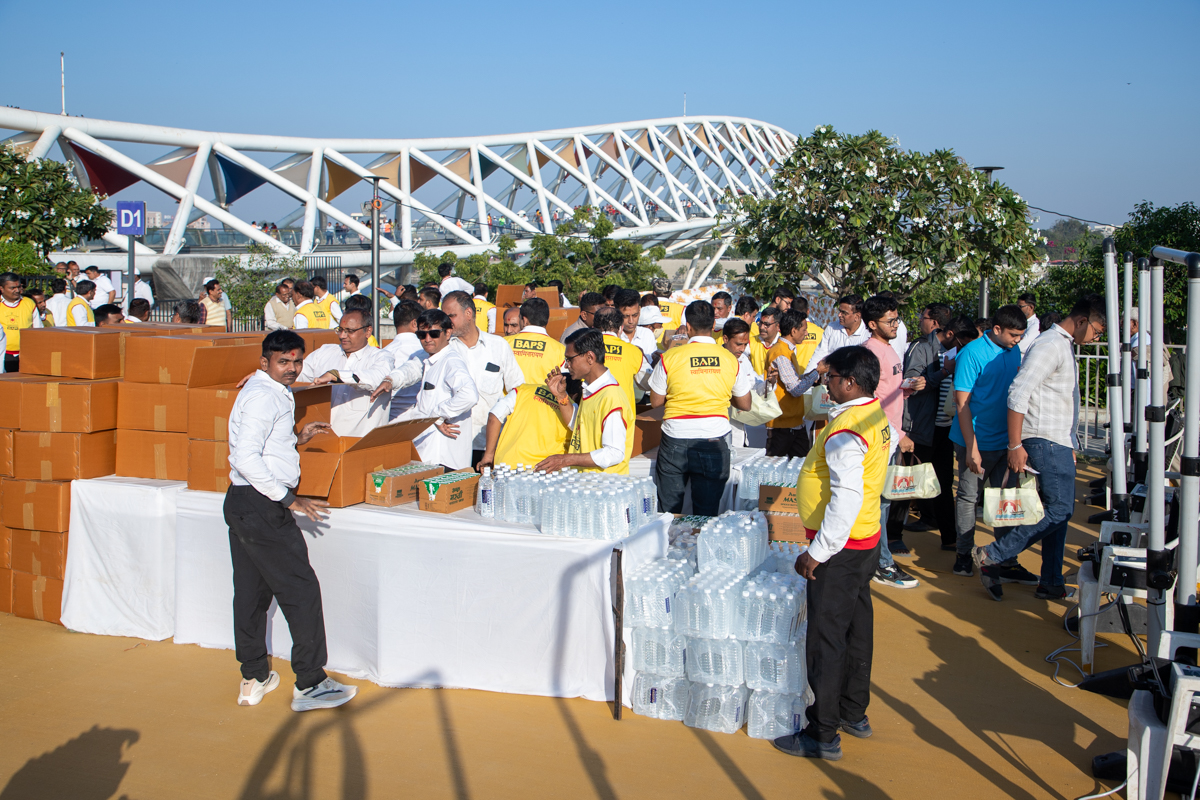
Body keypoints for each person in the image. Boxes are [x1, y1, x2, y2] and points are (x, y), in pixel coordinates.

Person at [225, 329, 357, 712]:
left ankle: (253, 676)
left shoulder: (264, 392)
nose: (292, 368)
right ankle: (311, 682)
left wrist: (294, 439)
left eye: (297, 361)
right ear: (264, 362)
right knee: (300, 591)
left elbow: (259, 446)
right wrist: (287, 498)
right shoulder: (264, 396)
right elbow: (245, 457)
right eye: (283, 362)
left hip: (244, 504)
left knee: (251, 593)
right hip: (262, 505)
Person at [774, 346, 889, 762]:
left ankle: (822, 732)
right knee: (858, 629)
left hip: (840, 549)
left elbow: (845, 497)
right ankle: (852, 711)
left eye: (831, 377)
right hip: (865, 541)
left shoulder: (846, 431)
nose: (826, 383)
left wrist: (817, 552)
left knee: (826, 640)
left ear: (850, 383)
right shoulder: (875, 415)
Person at [976, 295, 1106, 601]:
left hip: (1057, 440)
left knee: (1057, 514)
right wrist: (1015, 444)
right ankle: (995, 553)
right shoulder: (1050, 345)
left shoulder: (1061, 344)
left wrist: (1069, 443)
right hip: (1044, 439)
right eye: (1097, 331)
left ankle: (1050, 581)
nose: (1097, 338)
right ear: (1083, 321)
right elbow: (1018, 393)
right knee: (1060, 509)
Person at [949, 304, 1034, 583]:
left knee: (1006, 499)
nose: (1017, 340)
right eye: (1013, 335)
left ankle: (1005, 558)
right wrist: (972, 448)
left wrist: (1015, 442)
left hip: (1005, 442)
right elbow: (962, 403)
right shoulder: (971, 353)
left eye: (1021, 335)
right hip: (974, 440)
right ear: (996, 329)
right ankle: (963, 554)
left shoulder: (1014, 351)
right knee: (969, 497)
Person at [649, 301, 754, 516]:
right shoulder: (731, 359)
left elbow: (656, 402)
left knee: (668, 513)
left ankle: (668, 548)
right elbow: (745, 404)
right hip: (713, 438)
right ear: (714, 324)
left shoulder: (669, 357)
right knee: (706, 514)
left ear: (687, 327)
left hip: (675, 437)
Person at [860, 295, 922, 588]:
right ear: (872, 324)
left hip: (891, 436)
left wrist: (907, 387)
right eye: (890, 321)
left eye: (897, 319)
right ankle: (881, 563)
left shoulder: (889, 349)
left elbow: (888, 392)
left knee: (883, 502)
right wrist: (900, 435)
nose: (896, 325)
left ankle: (879, 560)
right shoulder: (871, 353)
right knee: (878, 504)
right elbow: (869, 402)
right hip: (882, 438)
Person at [377, 309, 479, 470]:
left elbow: (469, 395)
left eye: (434, 334)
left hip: (444, 456)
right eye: (422, 335)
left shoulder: (451, 361)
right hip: (428, 452)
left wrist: (437, 415)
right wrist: (390, 380)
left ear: (448, 333)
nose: (427, 339)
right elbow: (410, 369)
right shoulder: (429, 357)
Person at [440, 291, 523, 464]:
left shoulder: (498, 346)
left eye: (451, 316)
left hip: (490, 446)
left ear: (468, 314)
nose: (446, 322)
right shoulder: (443, 350)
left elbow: (517, 390)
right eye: (444, 316)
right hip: (452, 444)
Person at [535, 329, 633, 474]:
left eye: (570, 359)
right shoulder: (592, 390)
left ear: (590, 358)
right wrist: (561, 397)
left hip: (604, 488)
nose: (566, 365)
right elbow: (579, 426)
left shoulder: (611, 397)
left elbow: (614, 453)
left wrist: (565, 460)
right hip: (587, 485)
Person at [900, 303, 956, 548]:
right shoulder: (921, 348)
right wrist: (940, 374)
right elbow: (912, 382)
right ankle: (894, 538)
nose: (920, 321)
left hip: (943, 429)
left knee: (943, 483)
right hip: (922, 425)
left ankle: (949, 539)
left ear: (934, 323)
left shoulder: (955, 350)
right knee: (907, 482)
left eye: (922, 317)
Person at [295, 309, 394, 436]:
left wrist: (336, 375)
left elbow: (378, 378)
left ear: (368, 331)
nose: (342, 335)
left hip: (361, 443)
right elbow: (299, 375)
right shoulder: (324, 352)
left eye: (350, 331)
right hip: (323, 440)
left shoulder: (381, 357)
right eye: (340, 330)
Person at [766, 309, 821, 458]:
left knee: (800, 468)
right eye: (804, 330)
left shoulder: (787, 350)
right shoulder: (781, 353)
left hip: (794, 423)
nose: (806, 333)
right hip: (782, 425)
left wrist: (812, 375)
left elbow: (793, 380)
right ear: (793, 330)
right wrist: (817, 372)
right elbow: (796, 389)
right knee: (774, 474)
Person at [722, 317, 776, 447]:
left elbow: (755, 386)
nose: (742, 349)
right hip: (721, 429)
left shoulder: (744, 360)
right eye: (738, 344)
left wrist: (769, 382)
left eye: (745, 344)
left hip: (740, 431)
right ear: (725, 339)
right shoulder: (716, 361)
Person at [592, 305, 651, 411]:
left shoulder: (584, 348)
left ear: (593, 328)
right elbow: (649, 383)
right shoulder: (634, 352)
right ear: (621, 328)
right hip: (623, 416)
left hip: (591, 413)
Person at [380, 300, 427, 420]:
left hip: (390, 415)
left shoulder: (384, 352)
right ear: (415, 323)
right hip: (423, 415)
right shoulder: (426, 349)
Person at [508, 298, 567, 384]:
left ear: (524, 320)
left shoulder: (504, 343)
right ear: (547, 320)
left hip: (511, 396)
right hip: (542, 397)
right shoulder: (560, 350)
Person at [806, 294, 870, 373]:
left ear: (857, 316)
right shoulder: (831, 328)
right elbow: (818, 355)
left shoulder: (868, 334)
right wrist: (807, 377)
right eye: (839, 311)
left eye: (844, 313)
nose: (839, 315)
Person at [0, 272, 43, 371]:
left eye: (19, 287)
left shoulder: (29, 303)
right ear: (2, 289)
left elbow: (38, 329)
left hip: (25, 355)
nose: (17, 290)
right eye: (12, 288)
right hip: (3, 355)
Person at [617, 288, 659, 363]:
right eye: (626, 316)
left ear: (639, 310)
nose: (631, 321)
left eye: (635, 315)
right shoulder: (612, 336)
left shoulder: (647, 334)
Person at [750, 307, 781, 377]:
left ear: (778, 326)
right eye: (760, 323)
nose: (761, 327)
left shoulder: (785, 344)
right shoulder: (750, 342)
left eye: (766, 325)